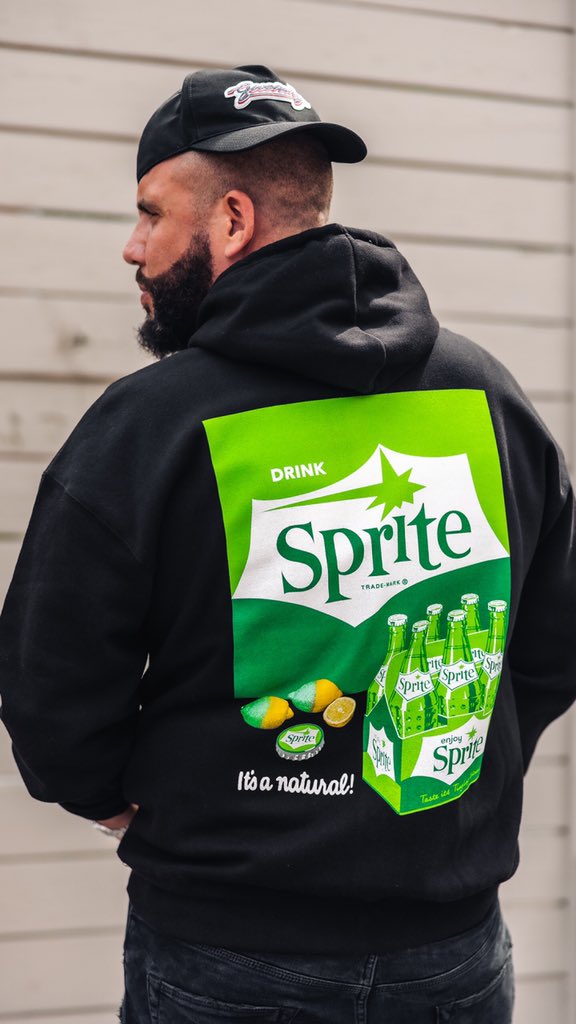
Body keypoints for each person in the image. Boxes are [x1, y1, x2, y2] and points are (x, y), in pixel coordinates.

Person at [0, 64, 574, 1024]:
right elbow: (553, 645)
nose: (134, 247)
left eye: (150, 213)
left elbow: (49, 682)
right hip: (454, 955)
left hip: (228, 957)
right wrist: (454, 780)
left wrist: (128, 805)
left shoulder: (152, 423)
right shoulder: (486, 394)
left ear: (231, 221)